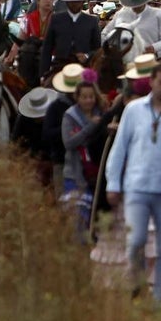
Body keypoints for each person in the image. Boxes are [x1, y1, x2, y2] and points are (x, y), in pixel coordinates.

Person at [104, 58, 161, 304]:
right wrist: (113, 183)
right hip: (136, 184)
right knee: (135, 239)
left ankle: (160, 298)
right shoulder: (134, 110)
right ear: (151, 82)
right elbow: (120, 148)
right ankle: (135, 285)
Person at [61, 74, 106, 238]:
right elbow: (69, 142)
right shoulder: (69, 116)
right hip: (75, 172)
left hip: (95, 174)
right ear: (77, 98)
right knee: (77, 218)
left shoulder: (100, 114)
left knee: (94, 218)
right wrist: (89, 128)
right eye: (84, 97)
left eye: (91, 97)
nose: (88, 101)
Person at [40, 0, 101, 80]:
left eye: (78, 1)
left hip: (84, 67)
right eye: (72, 1)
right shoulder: (56, 19)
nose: (75, 4)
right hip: (60, 66)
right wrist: (43, 74)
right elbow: (47, 47)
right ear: (67, 2)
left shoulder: (91, 21)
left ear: (82, 2)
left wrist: (87, 55)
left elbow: (98, 49)